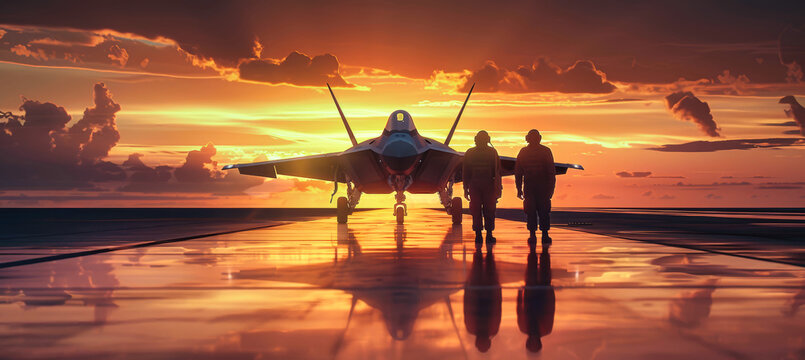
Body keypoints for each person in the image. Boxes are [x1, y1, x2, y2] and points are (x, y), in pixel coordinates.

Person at [515, 129, 556, 243]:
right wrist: (551, 188)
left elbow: (518, 173)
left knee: (532, 211)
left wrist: (519, 189)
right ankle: (544, 235)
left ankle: (533, 235)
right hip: (541, 187)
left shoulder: (523, 152)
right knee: (541, 211)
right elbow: (551, 173)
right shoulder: (546, 151)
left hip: (531, 187)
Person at [463, 130, 502, 243]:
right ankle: (488, 235)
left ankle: (478, 235)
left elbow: (466, 172)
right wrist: (498, 188)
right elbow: (498, 172)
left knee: (476, 210)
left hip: (476, 185)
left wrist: (466, 188)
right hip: (487, 185)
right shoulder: (492, 152)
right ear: (488, 139)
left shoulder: (470, 152)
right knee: (489, 210)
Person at [516, 244, 554, 353]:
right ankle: (544, 249)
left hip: (530, 293)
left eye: (531, 344)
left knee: (531, 267)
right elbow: (551, 310)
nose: (533, 341)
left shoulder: (523, 328)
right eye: (535, 344)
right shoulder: (546, 329)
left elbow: (519, 310)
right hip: (544, 294)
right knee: (545, 268)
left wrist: (519, 295)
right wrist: (551, 293)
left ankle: (533, 247)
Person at [463, 244, 501, 353]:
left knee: (482, 265)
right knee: (481, 265)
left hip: (480, 292)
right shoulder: (473, 328)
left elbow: (467, 308)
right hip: (482, 291)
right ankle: (480, 244)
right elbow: (497, 309)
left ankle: (482, 244)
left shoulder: (492, 329)